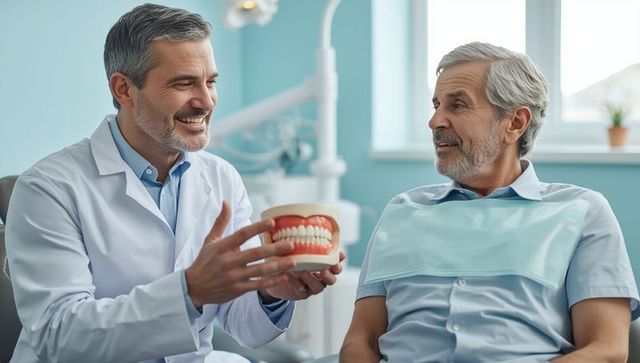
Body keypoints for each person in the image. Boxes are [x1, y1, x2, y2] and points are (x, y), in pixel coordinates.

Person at [5, 4, 343, 362]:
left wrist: (271, 293)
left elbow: (242, 325)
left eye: (211, 81)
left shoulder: (221, 177)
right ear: (124, 89)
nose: (206, 101)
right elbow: (58, 336)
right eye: (183, 83)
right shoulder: (47, 189)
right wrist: (189, 291)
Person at [340, 42, 639, 362]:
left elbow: (606, 350)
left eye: (457, 105)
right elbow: (362, 341)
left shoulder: (582, 211)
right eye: (436, 104)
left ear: (515, 123)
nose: (435, 121)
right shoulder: (403, 210)